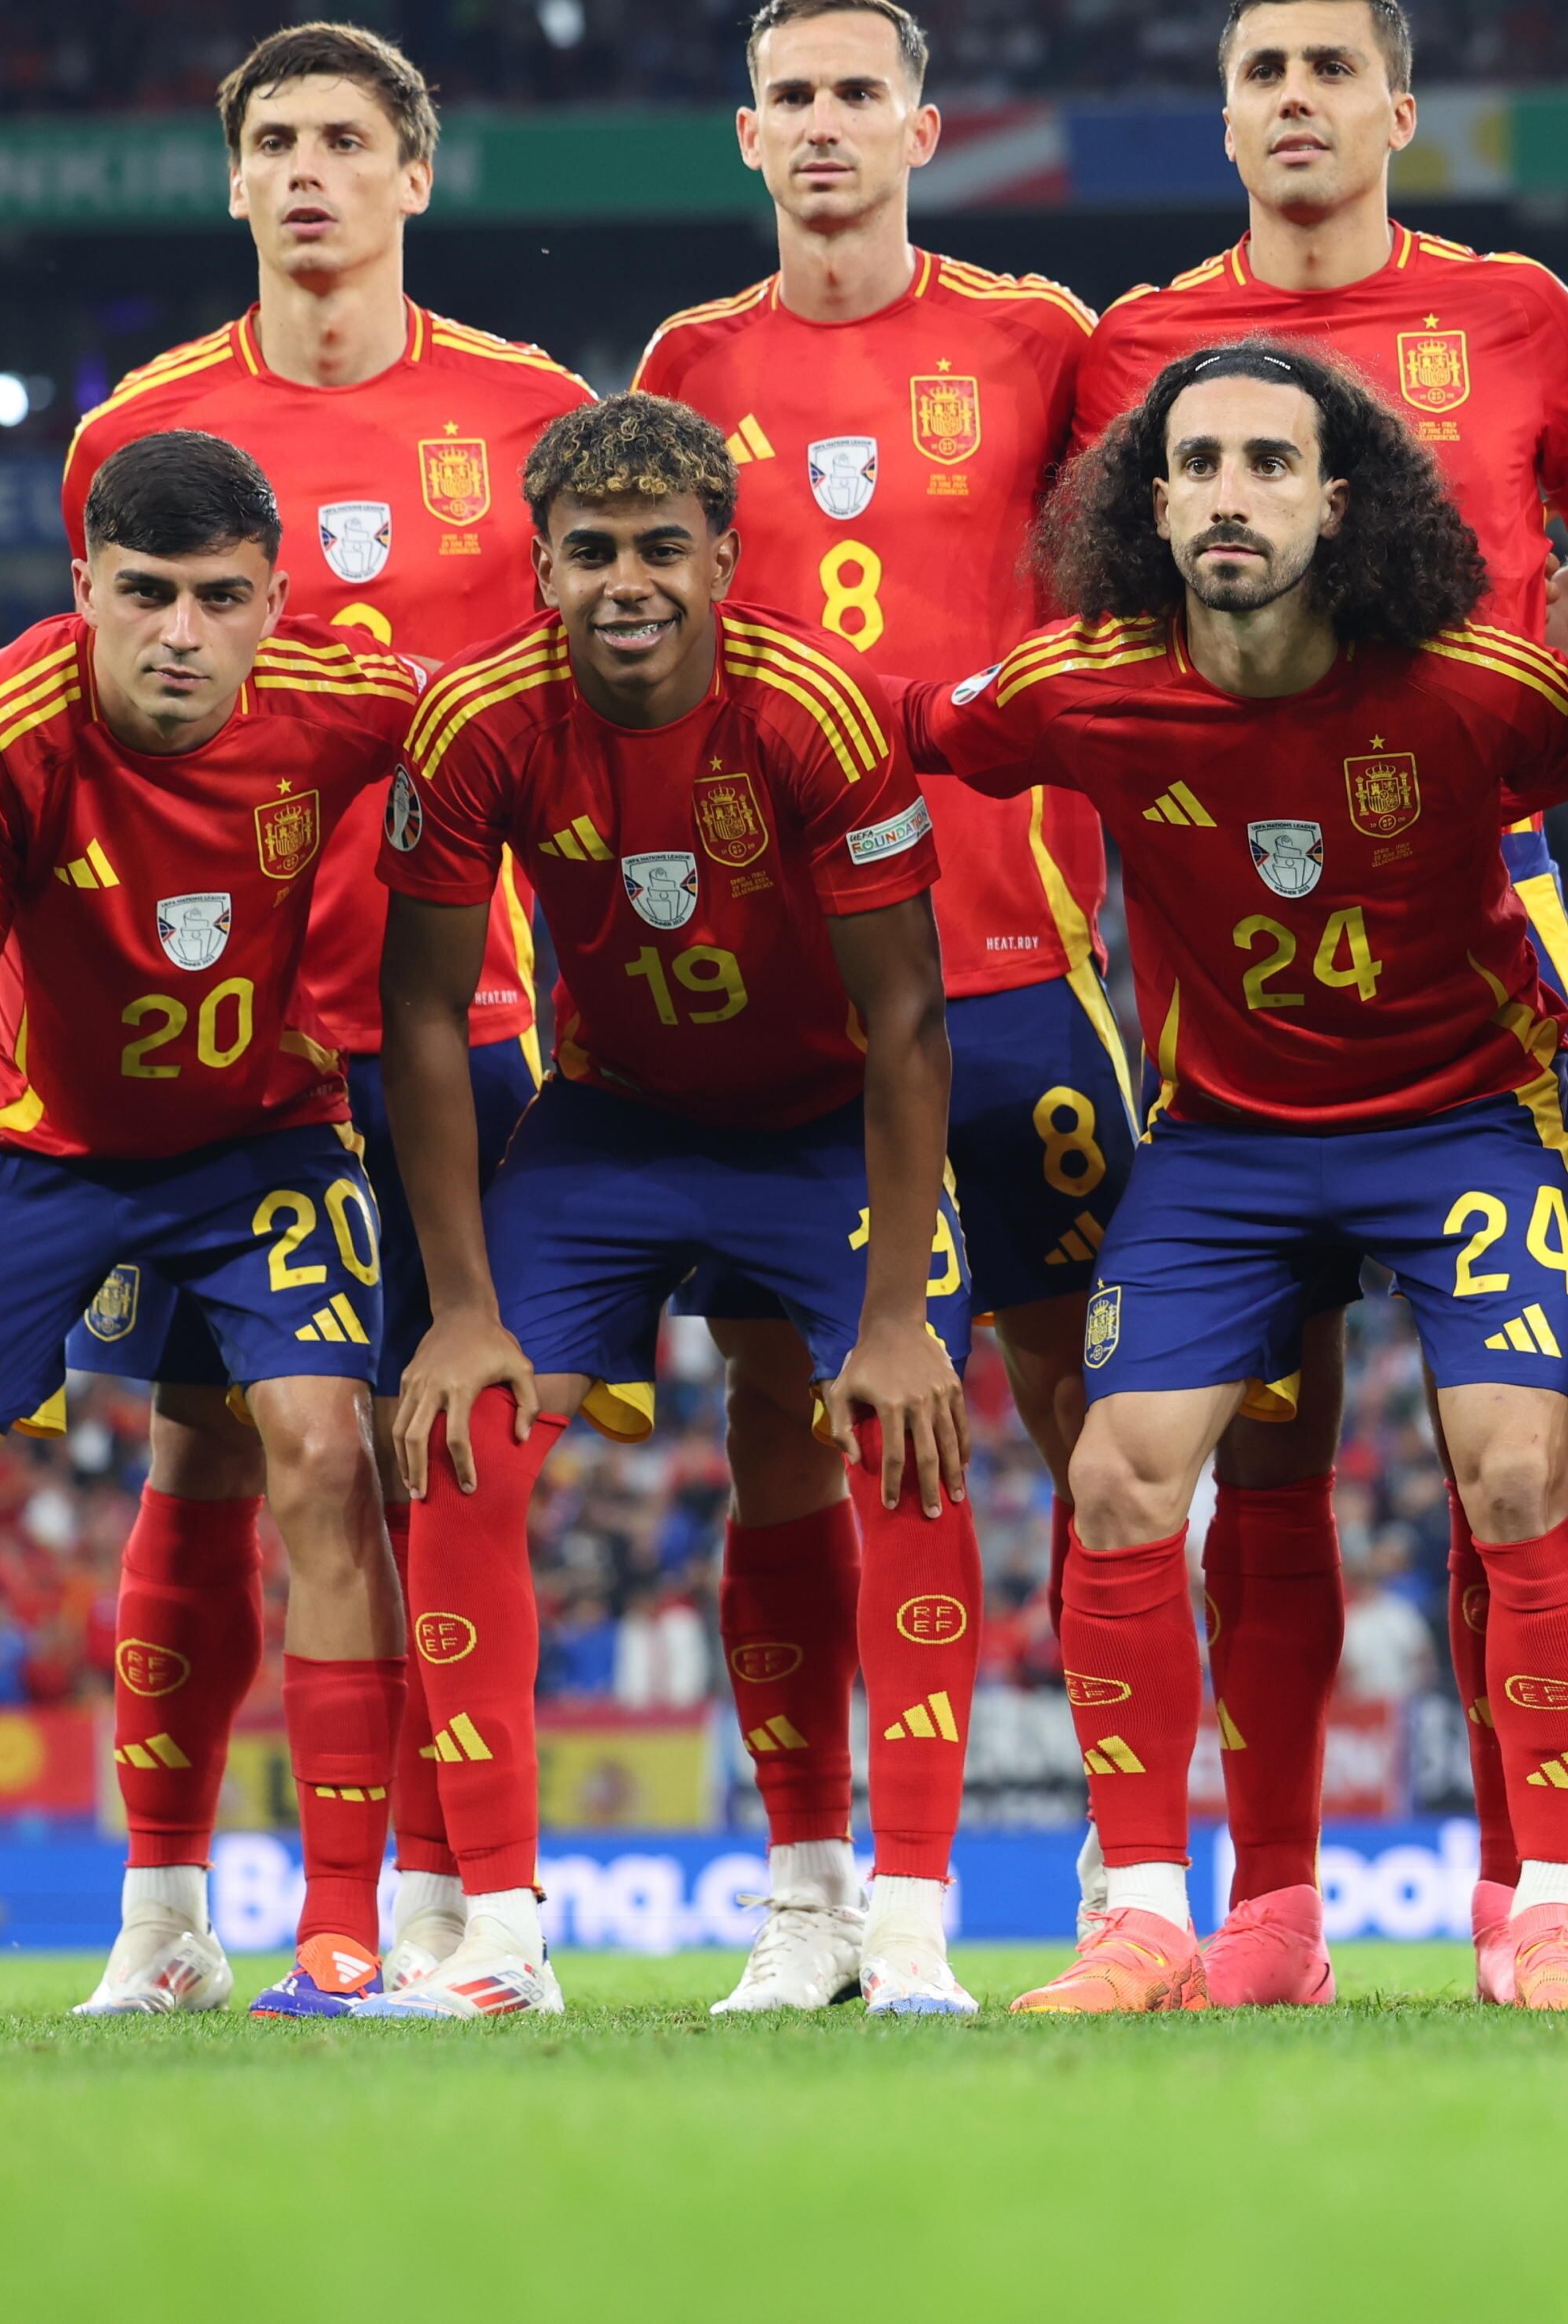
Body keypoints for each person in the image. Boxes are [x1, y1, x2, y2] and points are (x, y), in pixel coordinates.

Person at [907, 338, 1568, 2015]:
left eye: (1270, 463)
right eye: (1199, 464)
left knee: (1516, 1464)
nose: (1231, 494)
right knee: (1119, 1482)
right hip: (1232, 1141)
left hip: (1468, 1117)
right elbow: (883, 738)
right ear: (1152, 499)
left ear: (1339, 503)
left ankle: (1550, 1908)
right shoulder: (1083, 685)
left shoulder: (1474, 686)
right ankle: (1146, 1919)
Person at [1074, 0, 1568, 2002]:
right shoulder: (1139, 344)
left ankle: (1526, 1899)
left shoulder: (1515, 317)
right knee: (1268, 1450)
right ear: (1222, 118)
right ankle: (1268, 1908)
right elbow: (1087, 578)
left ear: (1402, 109)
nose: (1296, 98)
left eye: (1333, 69)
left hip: (1479, 911)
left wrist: (1548, 665)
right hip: (1229, 932)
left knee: (1511, 1443)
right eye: (1261, 72)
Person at [52, 23, 588, 2014]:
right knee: (206, 1456)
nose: (305, 172)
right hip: (222, 1044)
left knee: (451, 1455)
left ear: (414, 176)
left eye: (344, 141)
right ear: (231, 179)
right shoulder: (143, 428)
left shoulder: (535, 410)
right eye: (270, 139)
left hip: (474, 1009)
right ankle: (164, 1916)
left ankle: (443, 1913)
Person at [0, 431, 420, 2022]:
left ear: (276, 599)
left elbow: (517, 730)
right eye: (144, 593)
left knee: (328, 1451)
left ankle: (340, 1935)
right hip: (32, 1146)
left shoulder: (352, 705)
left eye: (220, 596)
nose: (182, 633)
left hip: (263, 1137)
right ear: (84, 588)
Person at [363, 394, 969, 2019]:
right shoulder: (479, 721)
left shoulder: (816, 711)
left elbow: (910, 1019)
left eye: (656, 549)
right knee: (464, 1435)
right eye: (588, 554)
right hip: (614, 1126)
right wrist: (466, 1304)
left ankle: (884, 1918)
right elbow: (422, 1008)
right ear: (541, 570)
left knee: (902, 1433)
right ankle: (496, 1937)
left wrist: (900, 1315)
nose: (624, 581)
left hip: (825, 1125)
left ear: (722, 557)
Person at [630, 0, 1110, 2013]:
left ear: (926, 128)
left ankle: (1134, 1859)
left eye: (858, 96)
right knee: (790, 1426)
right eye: (788, 100)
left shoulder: (1038, 342)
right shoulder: (685, 362)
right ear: (746, 139)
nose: (822, 126)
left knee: (1099, 1420)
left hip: (1023, 962)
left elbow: (1121, 619)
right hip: (803, 996)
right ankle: (822, 1892)